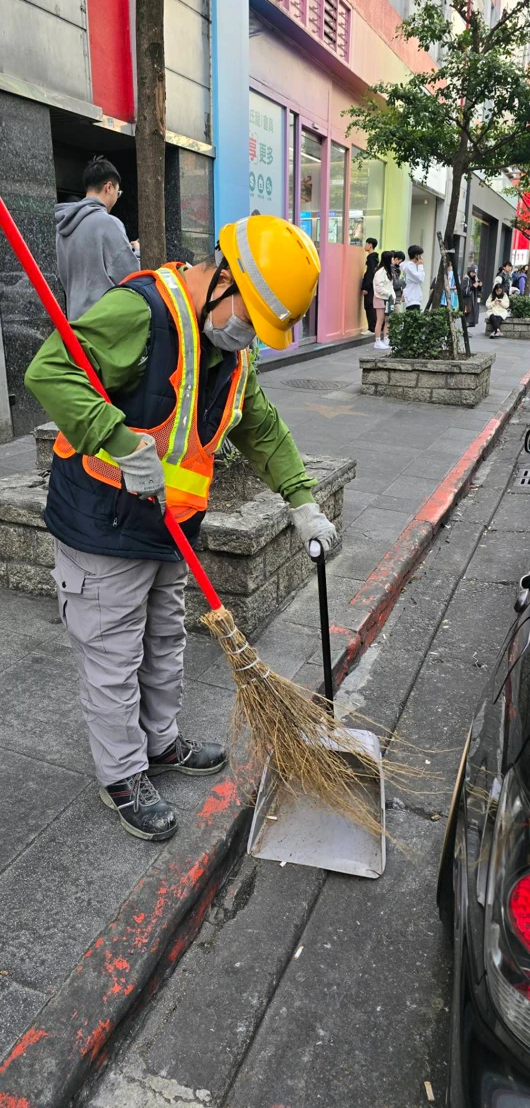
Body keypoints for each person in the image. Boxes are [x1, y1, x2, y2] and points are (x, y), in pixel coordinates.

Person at [24, 214, 338, 843]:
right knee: (113, 655)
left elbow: (261, 427)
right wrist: (118, 439)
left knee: (165, 640)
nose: (249, 335)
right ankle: (122, 775)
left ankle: (161, 743)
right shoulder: (139, 312)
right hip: (103, 523)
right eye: (249, 317)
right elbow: (50, 372)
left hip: (171, 529)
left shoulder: (231, 351)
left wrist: (302, 500)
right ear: (222, 279)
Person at [55, 155, 140, 320]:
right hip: (104, 324)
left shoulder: (63, 226)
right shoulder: (108, 223)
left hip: (76, 322)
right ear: (109, 187)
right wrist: (137, 251)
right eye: (118, 192)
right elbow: (129, 274)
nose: (116, 197)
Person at [372, 251, 395, 348]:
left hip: (388, 298)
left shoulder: (388, 271)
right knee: (380, 319)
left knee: (388, 319)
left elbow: (390, 286)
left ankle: (386, 338)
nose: (393, 260)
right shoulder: (380, 272)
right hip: (380, 298)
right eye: (392, 258)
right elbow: (379, 288)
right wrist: (389, 294)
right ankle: (377, 340)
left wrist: (392, 295)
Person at [361, 238, 379, 335]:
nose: (365, 245)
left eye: (366, 243)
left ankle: (371, 328)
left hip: (369, 287)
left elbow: (370, 274)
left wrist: (366, 287)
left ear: (370, 245)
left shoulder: (371, 258)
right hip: (372, 286)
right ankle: (372, 327)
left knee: (369, 306)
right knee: (369, 306)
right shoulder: (374, 257)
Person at [402, 245, 425, 311]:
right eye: (420, 255)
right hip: (412, 299)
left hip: (413, 298)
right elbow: (420, 279)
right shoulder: (410, 267)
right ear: (416, 256)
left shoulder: (411, 266)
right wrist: (420, 266)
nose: (421, 257)